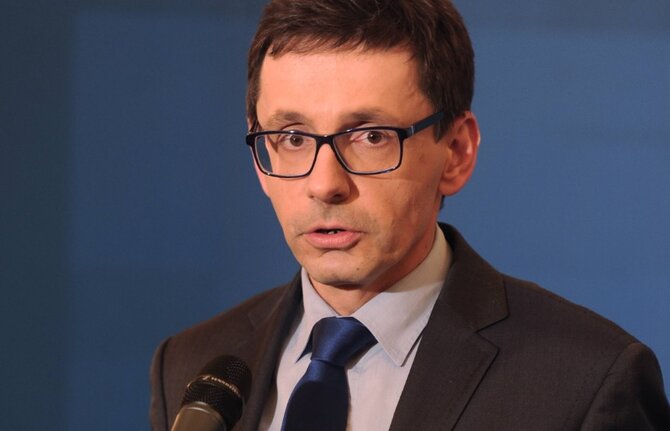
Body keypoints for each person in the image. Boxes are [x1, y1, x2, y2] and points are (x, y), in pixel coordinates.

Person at [150, 0, 670, 429]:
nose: (324, 184)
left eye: (371, 136)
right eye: (291, 138)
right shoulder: (188, 366)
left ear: (456, 152)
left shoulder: (588, 383)